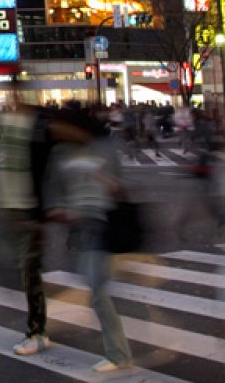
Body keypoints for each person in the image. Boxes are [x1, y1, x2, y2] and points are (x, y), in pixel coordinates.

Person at [48, 107, 134, 373]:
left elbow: (121, 188)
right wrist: (62, 210)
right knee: (93, 285)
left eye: (60, 125)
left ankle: (119, 355)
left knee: (98, 291)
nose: (55, 130)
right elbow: (55, 192)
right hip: (80, 228)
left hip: (103, 225)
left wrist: (108, 183)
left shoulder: (103, 148)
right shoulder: (59, 153)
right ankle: (119, 352)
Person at [0, 102, 54, 356]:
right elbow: (6, 164)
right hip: (9, 206)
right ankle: (37, 325)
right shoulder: (6, 120)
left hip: (29, 207)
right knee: (14, 266)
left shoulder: (38, 126)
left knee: (28, 269)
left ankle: (37, 331)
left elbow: (46, 167)